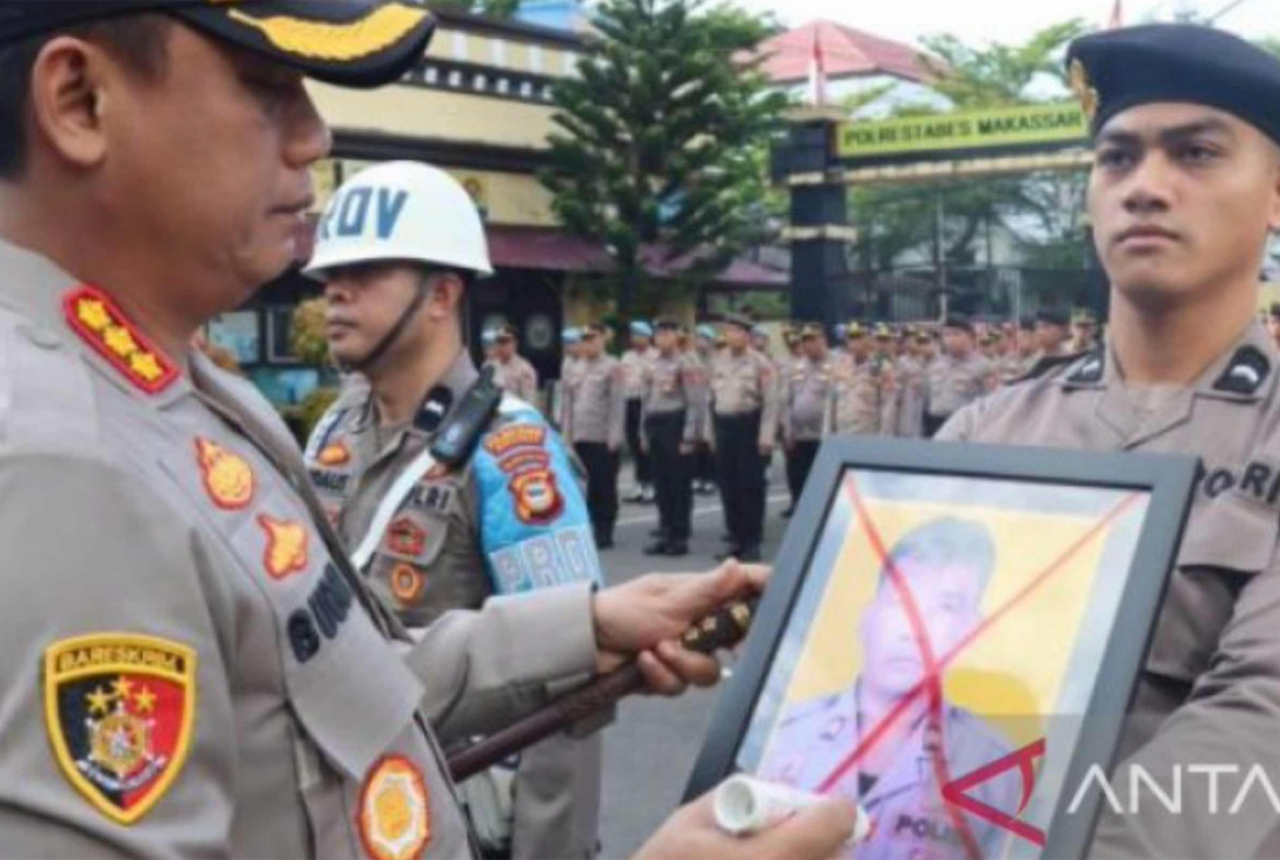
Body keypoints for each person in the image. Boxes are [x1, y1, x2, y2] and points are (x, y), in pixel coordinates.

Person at [0, 3, 855, 857]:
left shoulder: (172, 386)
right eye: (267, 89)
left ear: (443, 293)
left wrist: (580, 630)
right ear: (80, 101)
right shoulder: (67, 462)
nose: (315, 135)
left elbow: (324, 679)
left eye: (365, 276)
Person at [939, 24, 1280, 857]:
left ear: (1276, 197)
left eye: (1196, 154)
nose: (1145, 188)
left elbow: (1259, 712)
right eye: (1117, 158)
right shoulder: (988, 429)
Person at [305, 161, 610, 859]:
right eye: (329, 276)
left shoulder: (512, 451)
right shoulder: (330, 434)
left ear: (442, 294)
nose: (335, 294)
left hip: (447, 816)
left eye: (367, 272)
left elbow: (571, 686)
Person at [759, 518, 1018, 859]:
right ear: (868, 616)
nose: (914, 630)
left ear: (970, 630)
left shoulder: (994, 768)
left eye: (945, 607)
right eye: (901, 601)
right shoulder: (779, 732)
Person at [710, 313, 779, 563]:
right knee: (728, 486)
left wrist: (766, 435)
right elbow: (712, 399)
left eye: (735, 331)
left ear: (747, 336)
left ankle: (752, 542)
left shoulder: (760, 363)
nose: (730, 335)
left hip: (749, 426)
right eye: (727, 331)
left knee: (750, 487)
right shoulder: (718, 361)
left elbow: (771, 402)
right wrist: (711, 433)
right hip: (724, 425)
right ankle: (735, 539)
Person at [642, 318, 707, 557]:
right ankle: (665, 531)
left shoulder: (687, 363)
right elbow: (646, 399)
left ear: (676, 336)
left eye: (667, 333)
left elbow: (695, 402)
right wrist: (644, 432)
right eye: (658, 334)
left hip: (676, 424)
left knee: (679, 484)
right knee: (662, 484)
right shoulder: (652, 363)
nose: (661, 338)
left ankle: (680, 536)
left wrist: (689, 436)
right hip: (656, 423)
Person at [564, 323, 626, 550]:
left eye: (593, 338)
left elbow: (617, 403)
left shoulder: (612, 366)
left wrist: (614, 435)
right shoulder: (574, 367)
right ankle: (589, 527)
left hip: (602, 436)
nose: (588, 343)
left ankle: (605, 530)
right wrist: (566, 435)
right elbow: (568, 406)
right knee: (583, 487)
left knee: (604, 486)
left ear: (602, 340)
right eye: (585, 338)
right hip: (580, 436)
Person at [781, 323, 835, 514]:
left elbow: (834, 402)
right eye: (805, 341)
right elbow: (786, 399)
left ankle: (820, 509)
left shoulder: (835, 366)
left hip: (821, 433)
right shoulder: (796, 367)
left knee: (820, 476)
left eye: (813, 340)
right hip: (799, 433)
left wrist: (829, 434)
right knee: (796, 473)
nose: (808, 345)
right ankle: (797, 503)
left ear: (823, 341)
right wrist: (787, 429)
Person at [922, 316, 992, 438]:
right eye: (946, 335)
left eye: (956, 334)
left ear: (971, 337)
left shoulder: (983, 366)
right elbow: (926, 399)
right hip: (934, 424)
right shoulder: (935, 365)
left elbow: (990, 402)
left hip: (963, 427)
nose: (950, 339)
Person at [830, 322, 896, 437]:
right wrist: (828, 434)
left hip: (867, 436)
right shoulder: (840, 365)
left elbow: (888, 408)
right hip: (842, 434)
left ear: (869, 340)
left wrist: (884, 440)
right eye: (851, 338)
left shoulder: (881, 367)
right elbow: (831, 403)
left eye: (859, 337)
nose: (855, 342)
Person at [621, 319, 655, 504]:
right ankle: (639, 484)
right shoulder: (627, 357)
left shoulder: (655, 357)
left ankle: (650, 484)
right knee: (634, 443)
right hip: (629, 402)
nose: (635, 339)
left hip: (647, 402)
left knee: (646, 445)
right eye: (633, 335)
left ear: (648, 337)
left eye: (639, 335)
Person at [692, 323, 720, 496]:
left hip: (712, 404)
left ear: (711, 342)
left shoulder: (717, 360)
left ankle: (711, 478)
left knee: (710, 442)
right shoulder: (690, 359)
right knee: (695, 442)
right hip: (695, 405)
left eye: (704, 339)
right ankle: (697, 476)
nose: (700, 342)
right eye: (698, 338)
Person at [485, 322, 539, 403]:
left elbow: (528, 402)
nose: (500, 346)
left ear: (514, 344)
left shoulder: (524, 370)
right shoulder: (489, 365)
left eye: (505, 342)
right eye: (498, 342)